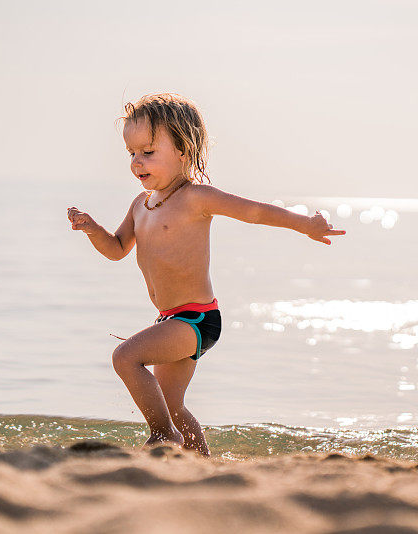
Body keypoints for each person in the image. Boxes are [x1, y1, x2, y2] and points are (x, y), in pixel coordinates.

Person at [67, 93, 346, 456]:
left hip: (196, 319)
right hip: (170, 319)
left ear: (183, 149)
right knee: (173, 405)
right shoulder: (140, 206)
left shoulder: (196, 198)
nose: (137, 162)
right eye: (131, 153)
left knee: (125, 358)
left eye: (148, 151)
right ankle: (201, 463)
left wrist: (306, 224)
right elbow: (117, 249)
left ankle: (163, 437)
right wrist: (92, 230)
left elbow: (255, 212)